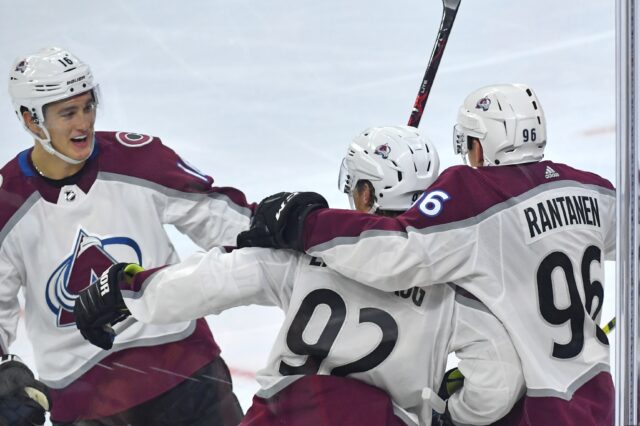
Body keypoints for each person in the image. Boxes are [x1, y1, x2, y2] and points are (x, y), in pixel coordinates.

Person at [75, 126, 525, 426]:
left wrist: (129, 287)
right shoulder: (448, 280)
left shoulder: (310, 250)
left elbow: (216, 278)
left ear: (366, 191)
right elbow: (498, 376)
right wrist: (453, 413)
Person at [235, 84, 616, 425]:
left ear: (480, 145)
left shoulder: (474, 192)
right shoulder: (593, 189)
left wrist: (305, 222)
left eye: (469, 144)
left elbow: (397, 253)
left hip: (531, 408)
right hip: (595, 396)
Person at [0, 46, 251, 425]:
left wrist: (294, 237)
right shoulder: (7, 202)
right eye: (68, 113)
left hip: (185, 370)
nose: (83, 123)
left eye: (88, 106)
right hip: (86, 398)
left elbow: (221, 218)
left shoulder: (139, 159)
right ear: (31, 120)